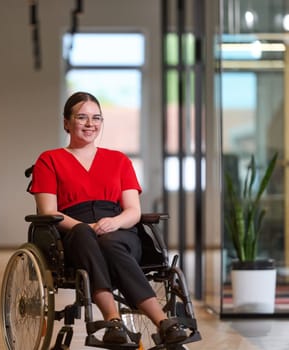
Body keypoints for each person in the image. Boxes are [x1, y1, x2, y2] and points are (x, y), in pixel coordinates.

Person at [29, 91, 187, 345]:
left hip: (119, 228)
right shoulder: (50, 160)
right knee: (85, 234)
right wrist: (86, 226)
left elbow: (133, 210)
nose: (90, 124)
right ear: (67, 123)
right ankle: (113, 319)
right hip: (72, 232)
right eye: (82, 117)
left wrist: (115, 222)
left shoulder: (119, 160)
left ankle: (162, 322)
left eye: (96, 118)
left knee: (111, 242)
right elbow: (49, 211)